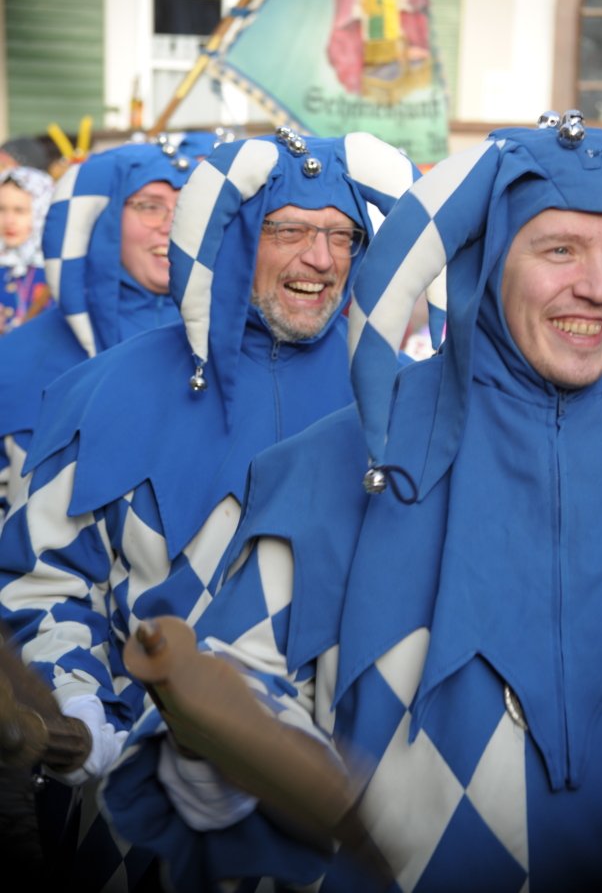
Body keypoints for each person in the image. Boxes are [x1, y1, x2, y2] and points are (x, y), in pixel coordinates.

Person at [103, 117, 602, 892]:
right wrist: (233, 754)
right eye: (559, 250)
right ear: (485, 262)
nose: (600, 288)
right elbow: (237, 690)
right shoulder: (335, 461)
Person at [0, 129, 420, 887]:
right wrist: (78, 704)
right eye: (288, 229)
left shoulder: (412, 410)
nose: (320, 259)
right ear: (230, 238)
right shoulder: (105, 390)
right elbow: (45, 580)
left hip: (338, 827)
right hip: (135, 816)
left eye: (340, 234)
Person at [0, 143, 195, 522]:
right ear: (104, 217)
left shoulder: (242, 347)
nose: (172, 224)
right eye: (150, 205)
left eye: (188, 206)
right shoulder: (19, 356)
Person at [0, 167, 54, 333]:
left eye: (20, 210)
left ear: (41, 211)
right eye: (1, 209)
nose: (9, 221)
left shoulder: (57, 269)